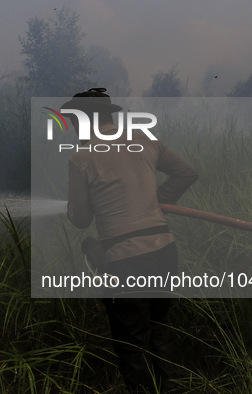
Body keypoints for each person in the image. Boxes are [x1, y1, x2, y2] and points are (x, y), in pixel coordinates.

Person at [62, 88, 199, 393]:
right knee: (159, 332)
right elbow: (187, 173)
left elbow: (82, 220)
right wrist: (156, 201)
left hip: (124, 261)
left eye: (73, 120)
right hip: (165, 251)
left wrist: (72, 208)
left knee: (132, 345)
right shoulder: (146, 140)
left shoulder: (81, 157)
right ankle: (170, 389)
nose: (72, 127)